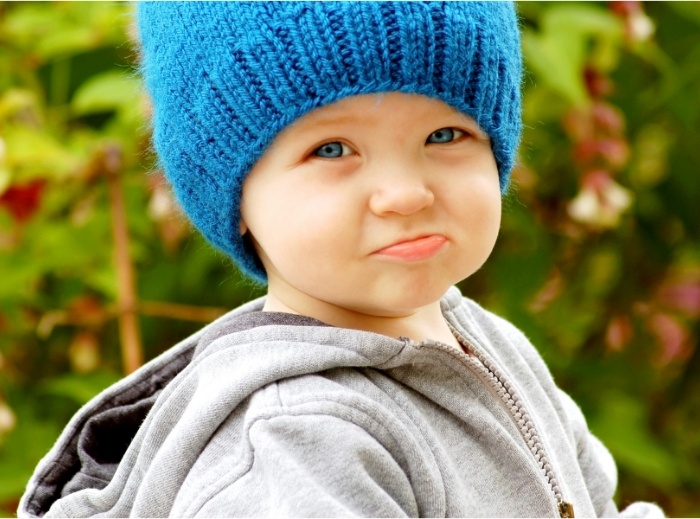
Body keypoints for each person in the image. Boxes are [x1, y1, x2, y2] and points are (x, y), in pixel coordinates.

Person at [19, 2, 664, 517]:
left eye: (445, 135)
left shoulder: (489, 344)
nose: (406, 193)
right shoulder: (296, 445)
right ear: (235, 196)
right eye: (332, 150)